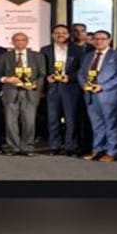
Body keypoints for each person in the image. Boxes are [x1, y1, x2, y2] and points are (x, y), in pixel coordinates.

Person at [77, 30, 117, 162]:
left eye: (102, 38)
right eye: (96, 39)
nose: (99, 41)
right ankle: (97, 150)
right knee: (96, 125)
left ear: (109, 40)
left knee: (111, 124)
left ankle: (112, 151)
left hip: (109, 96)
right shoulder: (88, 56)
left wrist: (103, 86)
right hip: (90, 95)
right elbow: (81, 73)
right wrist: (83, 85)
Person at [0, 32, 46, 156]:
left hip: (30, 92)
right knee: (10, 122)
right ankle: (13, 147)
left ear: (27, 41)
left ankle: (28, 147)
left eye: (22, 40)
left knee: (29, 121)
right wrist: (7, 79)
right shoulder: (4, 56)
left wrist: (35, 84)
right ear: (12, 42)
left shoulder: (37, 56)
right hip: (10, 92)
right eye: (17, 40)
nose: (20, 42)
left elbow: (42, 74)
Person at [40, 24, 84, 156]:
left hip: (70, 88)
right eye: (57, 33)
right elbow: (41, 69)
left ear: (69, 35)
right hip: (52, 88)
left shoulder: (77, 50)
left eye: (64, 33)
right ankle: (55, 146)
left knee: (71, 119)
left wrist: (70, 77)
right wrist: (47, 77)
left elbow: (82, 70)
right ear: (53, 35)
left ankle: (71, 146)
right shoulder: (45, 50)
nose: (60, 35)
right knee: (53, 119)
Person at [71, 22, 95, 155]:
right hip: (72, 87)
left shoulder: (93, 48)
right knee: (75, 118)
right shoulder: (68, 48)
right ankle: (76, 145)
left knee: (90, 118)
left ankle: (90, 145)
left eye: (82, 30)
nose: (79, 33)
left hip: (92, 88)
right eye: (75, 31)